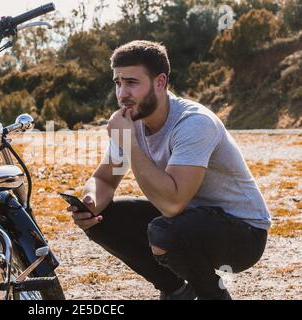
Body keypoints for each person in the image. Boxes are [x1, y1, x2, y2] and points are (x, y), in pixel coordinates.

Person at [67, 40, 270, 300]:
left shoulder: (194, 123)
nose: (122, 94)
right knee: (102, 221)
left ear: (160, 82)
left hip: (243, 233)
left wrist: (128, 142)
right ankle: (176, 290)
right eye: (118, 83)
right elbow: (104, 179)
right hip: (189, 219)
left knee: (165, 231)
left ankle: (212, 295)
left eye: (132, 82)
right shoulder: (134, 121)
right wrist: (90, 203)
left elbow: (172, 204)